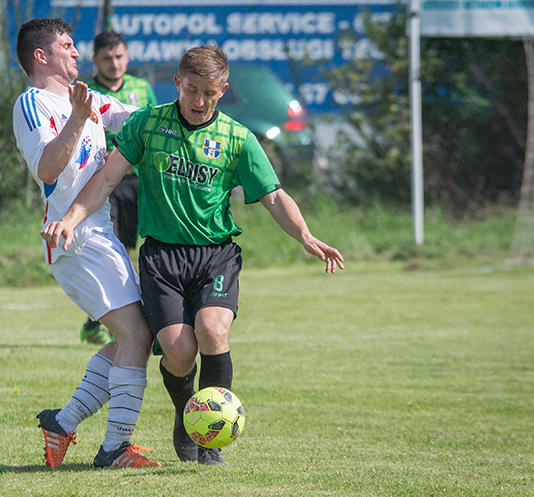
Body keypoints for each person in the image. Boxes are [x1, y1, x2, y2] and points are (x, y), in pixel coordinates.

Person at [42, 44, 345, 466]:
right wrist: (73, 217)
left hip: (215, 256)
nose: (200, 102)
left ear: (224, 89)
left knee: (213, 331)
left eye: (210, 93)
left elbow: (275, 197)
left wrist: (307, 236)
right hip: (163, 259)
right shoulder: (148, 124)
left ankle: (208, 442)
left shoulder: (238, 139)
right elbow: (108, 177)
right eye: (192, 91)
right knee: (180, 353)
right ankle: (187, 419)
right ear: (177, 84)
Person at [12, 18, 160, 469]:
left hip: (99, 229)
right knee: (137, 333)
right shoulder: (32, 103)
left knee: (137, 333)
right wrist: (78, 117)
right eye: (68, 46)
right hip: (72, 235)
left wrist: (191, 115)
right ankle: (115, 448)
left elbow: (138, 122)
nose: (77, 53)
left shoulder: (90, 98)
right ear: (42, 56)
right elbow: (48, 169)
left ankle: (64, 421)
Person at [79, 31, 158, 346]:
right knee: (111, 249)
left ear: (127, 56)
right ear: (95, 60)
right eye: (107, 58)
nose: (115, 64)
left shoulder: (142, 88)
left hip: (139, 179)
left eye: (120, 56)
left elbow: (153, 127)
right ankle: (101, 320)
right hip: (104, 180)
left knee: (136, 246)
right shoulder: (86, 92)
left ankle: (116, 320)